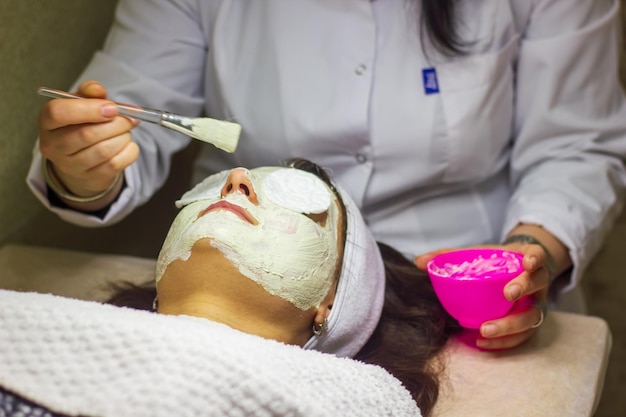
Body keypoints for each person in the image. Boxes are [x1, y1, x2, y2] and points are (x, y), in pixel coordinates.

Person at [27, 1, 626, 351]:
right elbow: (129, 115)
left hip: (455, 282)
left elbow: (578, 142)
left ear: (331, 307)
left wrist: (529, 253)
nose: (236, 181)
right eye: (237, 183)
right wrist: (85, 166)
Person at [2, 159, 459, 417]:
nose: (234, 179)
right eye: (211, 185)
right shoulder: (30, 323)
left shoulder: (359, 400)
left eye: (295, 194)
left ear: (331, 303)